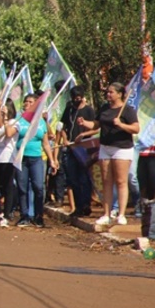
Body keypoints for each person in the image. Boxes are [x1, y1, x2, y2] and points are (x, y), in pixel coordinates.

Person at [77, 82, 140, 226]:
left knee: (121, 181)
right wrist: (85, 123)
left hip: (122, 148)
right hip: (105, 146)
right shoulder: (105, 108)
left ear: (119, 94)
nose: (108, 94)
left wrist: (121, 125)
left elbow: (136, 129)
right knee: (106, 181)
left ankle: (121, 214)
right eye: (108, 92)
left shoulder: (128, 110)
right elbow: (97, 124)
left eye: (111, 92)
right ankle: (106, 213)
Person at [15, 93, 59, 228]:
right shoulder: (19, 121)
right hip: (21, 159)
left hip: (37, 159)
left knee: (38, 187)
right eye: (26, 101)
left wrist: (52, 160)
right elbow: (10, 135)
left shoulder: (41, 123)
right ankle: (24, 216)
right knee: (22, 188)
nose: (27, 104)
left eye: (31, 102)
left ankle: (39, 216)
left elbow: (46, 143)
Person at [59, 86, 96, 217]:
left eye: (79, 98)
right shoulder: (69, 110)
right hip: (70, 148)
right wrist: (64, 139)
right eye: (74, 98)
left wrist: (84, 135)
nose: (77, 101)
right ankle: (78, 206)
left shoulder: (89, 110)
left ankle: (86, 205)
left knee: (84, 178)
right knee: (72, 178)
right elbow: (64, 127)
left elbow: (96, 129)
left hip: (84, 149)